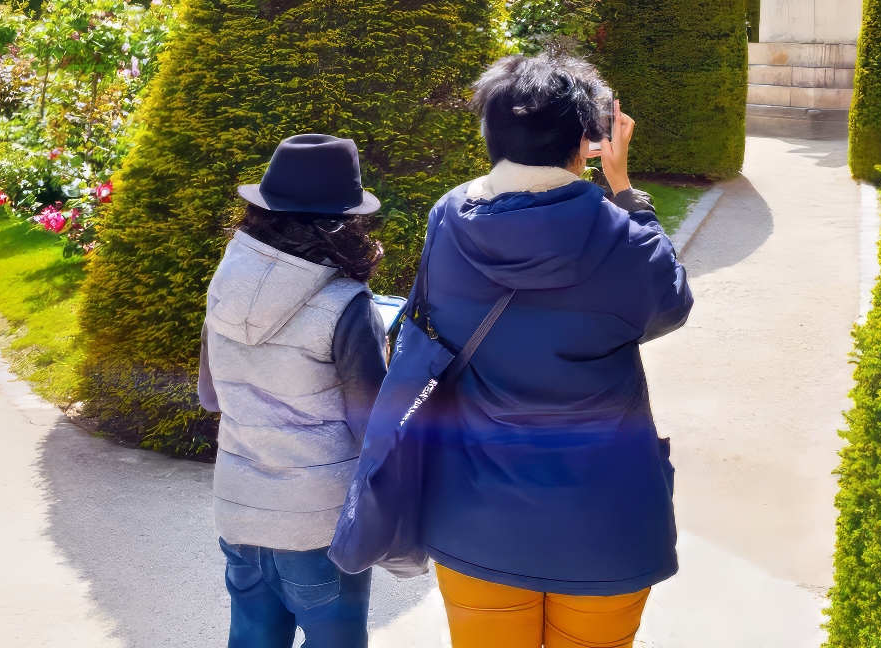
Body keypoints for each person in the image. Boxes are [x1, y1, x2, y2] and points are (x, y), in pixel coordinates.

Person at [417, 53, 694, 648]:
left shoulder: (449, 217)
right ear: (587, 140)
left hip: (475, 509)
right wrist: (623, 188)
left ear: (490, 134)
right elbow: (669, 306)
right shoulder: (621, 236)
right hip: (604, 516)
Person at [197, 134, 390, 648]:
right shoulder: (349, 304)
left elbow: (211, 396)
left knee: (253, 638)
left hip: (239, 508)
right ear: (342, 222)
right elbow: (373, 426)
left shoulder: (225, 282)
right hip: (317, 523)